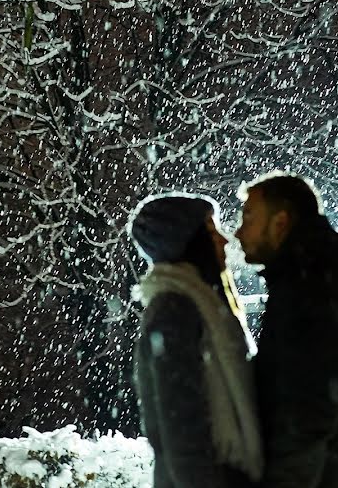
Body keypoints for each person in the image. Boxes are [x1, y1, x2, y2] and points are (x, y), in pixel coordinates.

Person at [234, 172, 338, 488]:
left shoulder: (308, 285)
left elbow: (308, 410)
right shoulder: (309, 276)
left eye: (248, 217)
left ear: (280, 222)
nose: (237, 232)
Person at [128, 192, 263, 488]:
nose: (224, 240)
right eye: (212, 231)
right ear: (188, 243)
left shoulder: (201, 303)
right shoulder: (175, 309)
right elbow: (180, 425)